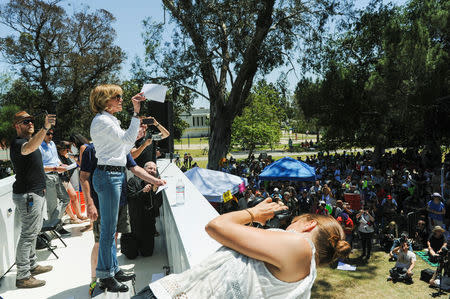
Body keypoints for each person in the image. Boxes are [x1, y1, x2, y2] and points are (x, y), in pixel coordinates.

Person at [133, 199, 351, 298]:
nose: (290, 225)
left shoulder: (300, 247)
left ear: (310, 224)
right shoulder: (301, 265)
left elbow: (215, 226)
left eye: (296, 220)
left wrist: (254, 213)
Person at [89, 84, 166, 292]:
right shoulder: (103, 121)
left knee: (111, 229)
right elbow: (128, 140)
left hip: (113, 174)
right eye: (117, 96)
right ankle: (105, 276)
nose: (121, 99)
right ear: (105, 100)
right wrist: (136, 112)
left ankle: (113, 269)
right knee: (108, 231)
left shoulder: (110, 120)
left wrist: (153, 180)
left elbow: (125, 151)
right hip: (108, 176)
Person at [10, 111, 55, 288]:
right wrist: (45, 127)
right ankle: (22, 276)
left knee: (33, 232)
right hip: (28, 195)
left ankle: (32, 265)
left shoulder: (29, 142)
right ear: (17, 126)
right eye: (26, 121)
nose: (30, 123)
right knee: (28, 235)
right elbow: (29, 148)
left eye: (32, 121)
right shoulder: (18, 143)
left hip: (34, 193)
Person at [125, 161, 160, 259]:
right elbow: (130, 199)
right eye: (150, 168)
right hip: (134, 225)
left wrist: (154, 192)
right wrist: (142, 192)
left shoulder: (156, 184)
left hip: (148, 227)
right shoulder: (133, 181)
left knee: (147, 254)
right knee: (131, 256)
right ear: (143, 170)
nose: (152, 171)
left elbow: (158, 205)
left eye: (154, 169)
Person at [39, 128, 71, 235]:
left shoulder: (52, 144)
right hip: (47, 177)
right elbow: (40, 167)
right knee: (52, 205)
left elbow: (55, 159)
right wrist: (55, 168)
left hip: (56, 175)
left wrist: (61, 165)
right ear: (42, 133)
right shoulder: (38, 146)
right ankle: (56, 227)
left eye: (52, 133)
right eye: (48, 134)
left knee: (66, 198)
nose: (50, 136)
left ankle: (54, 223)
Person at [56, 141, 88, 224]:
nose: (68, 152)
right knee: (66, 199)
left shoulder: (65, 156)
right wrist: (76, 164)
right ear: (62, 150)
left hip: (66, 178)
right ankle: (73, 218)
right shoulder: (57, 156)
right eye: (67, 150)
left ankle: (79, 215)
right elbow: (63, 168)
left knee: (74, 196)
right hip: (60, 179)